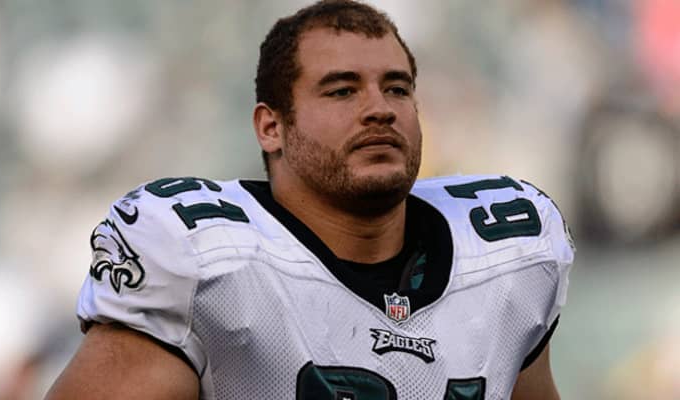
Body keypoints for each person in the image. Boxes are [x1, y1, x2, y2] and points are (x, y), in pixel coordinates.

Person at [46, 1, 574, 399]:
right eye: (342, 90)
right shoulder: (203, 259)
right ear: (271, 127)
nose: (380, 108)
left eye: (397, 88)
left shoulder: (509, 252)